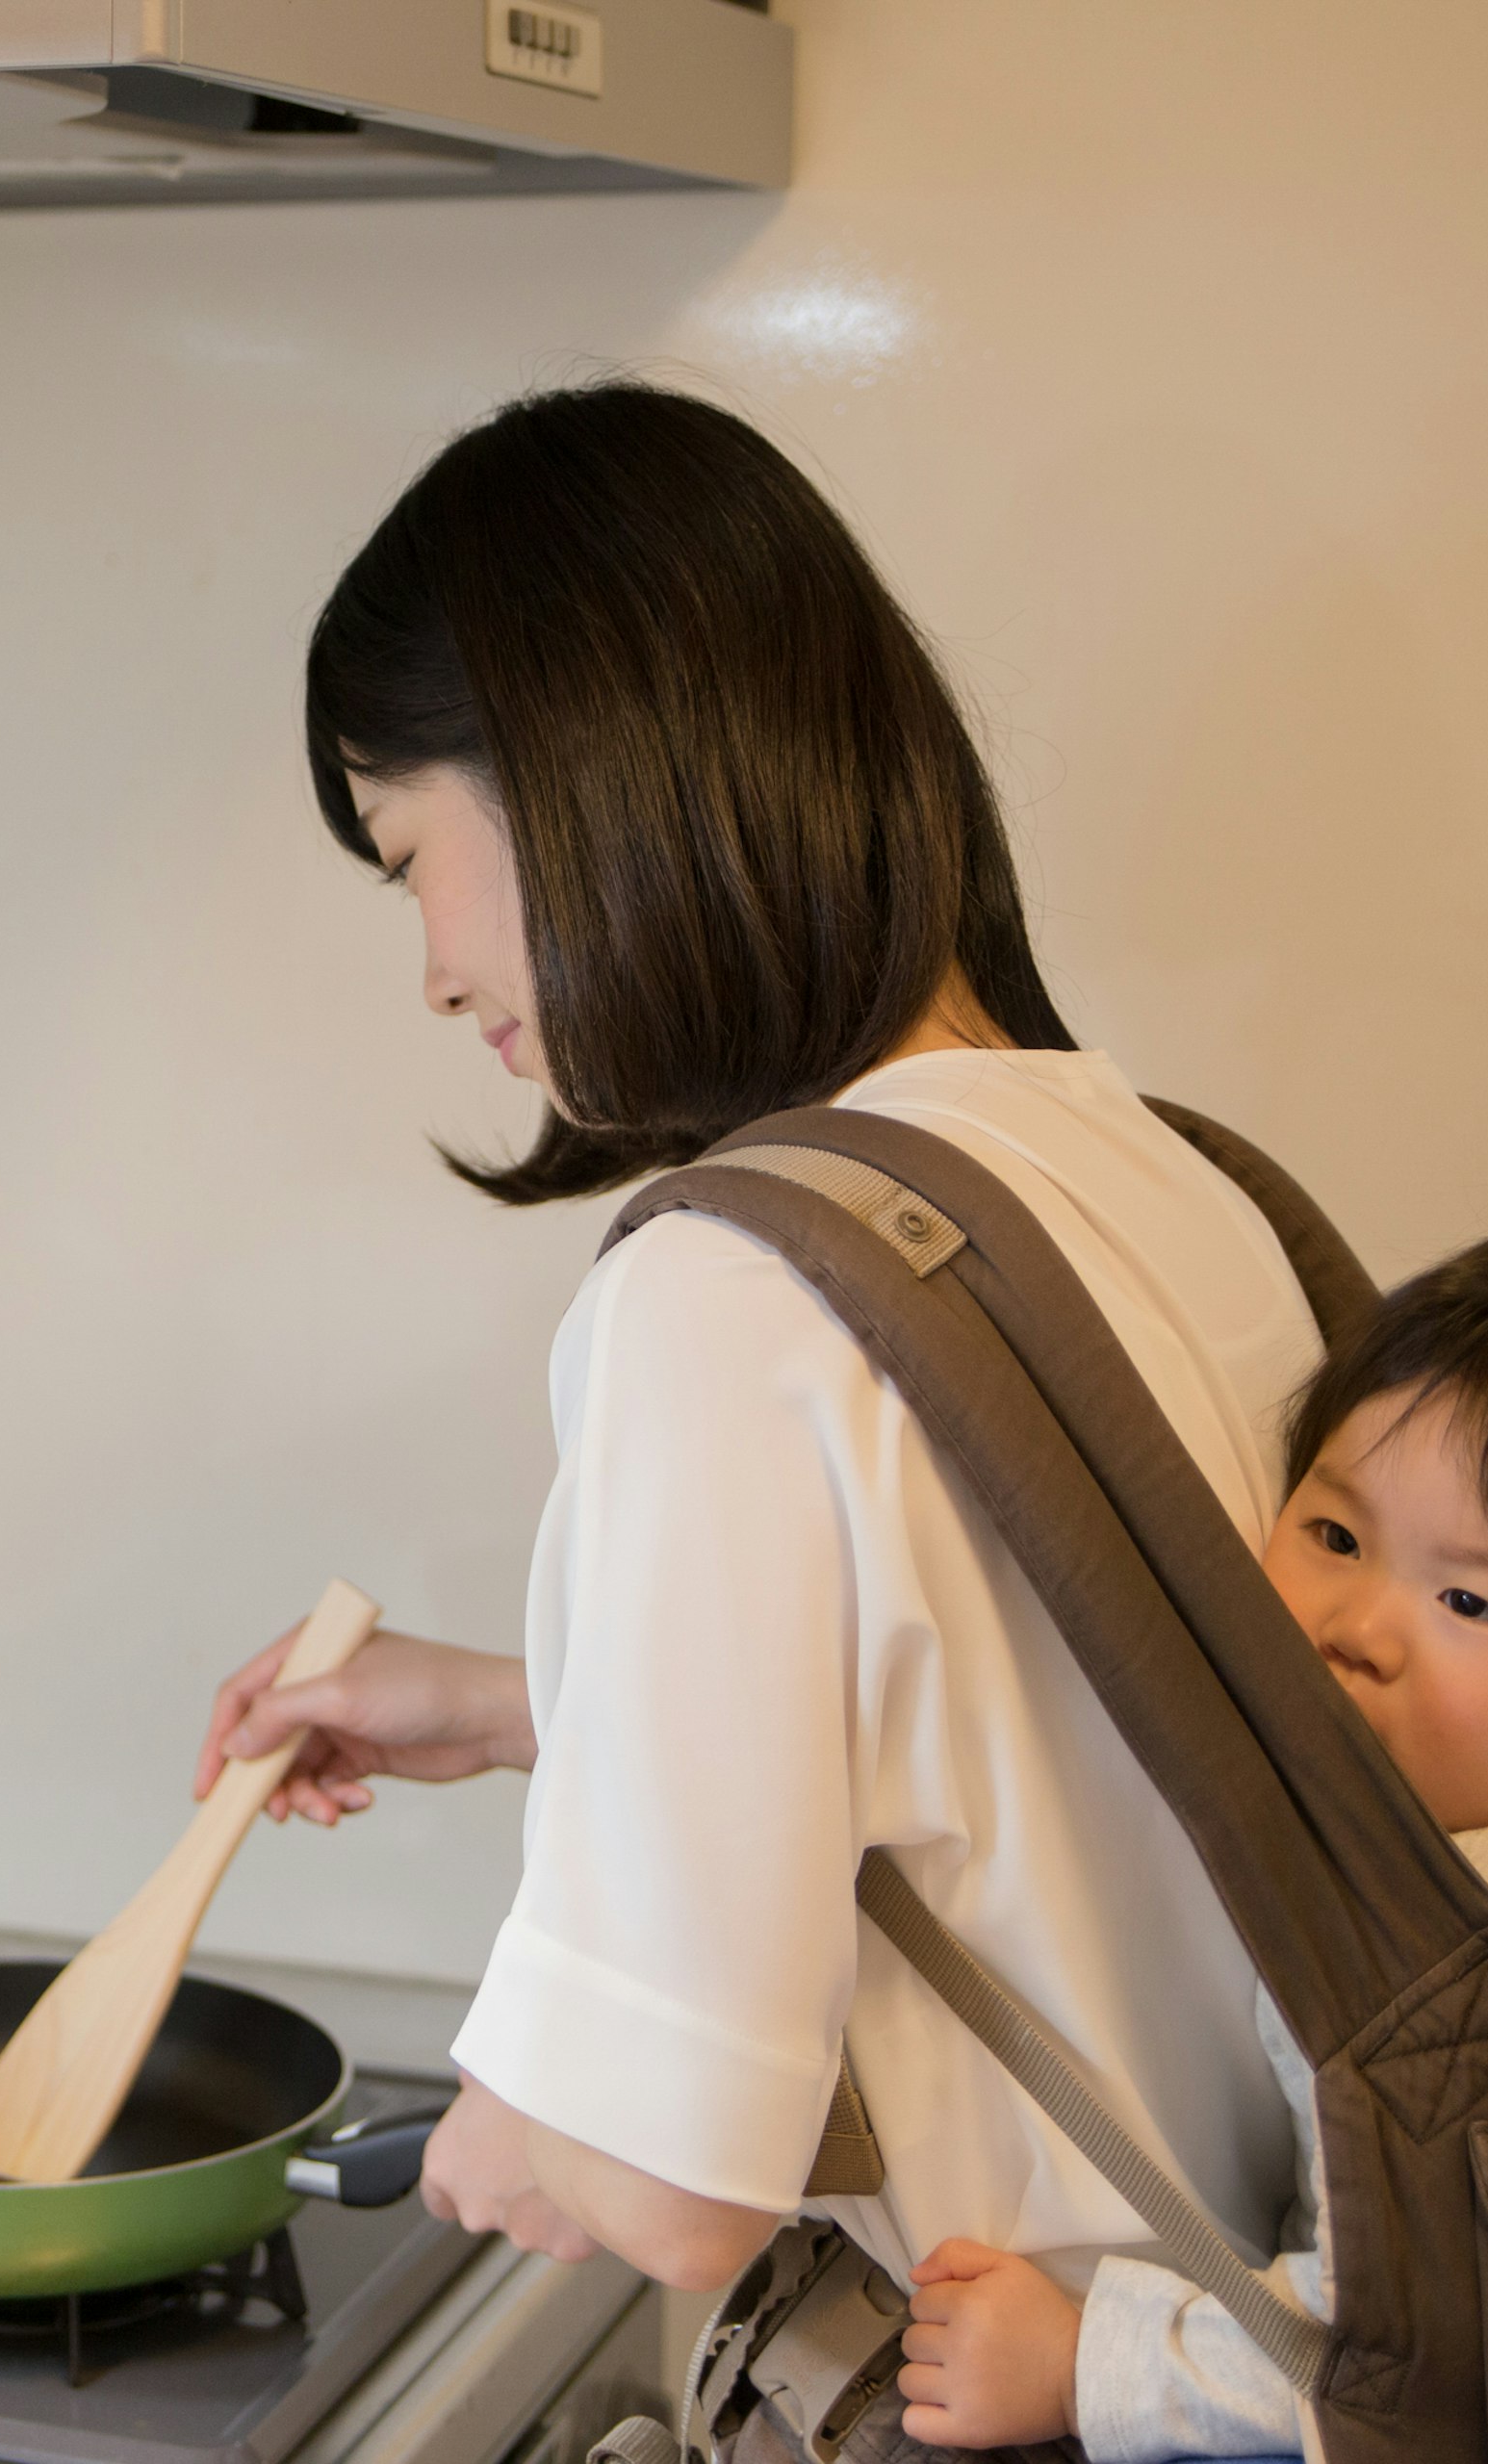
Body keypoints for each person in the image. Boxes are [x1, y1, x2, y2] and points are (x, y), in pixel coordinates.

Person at [192, 381, 1320, 2375]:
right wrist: (521, 1704)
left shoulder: (732, 1293)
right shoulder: (1170, 1172)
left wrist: (514, 2125)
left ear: (571, 771)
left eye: (404, 853)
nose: (437, 970)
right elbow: (1024, 1742)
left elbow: (673, 2175)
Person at [887, 1217, 1488, 2459]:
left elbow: (1410, 2368)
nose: (1356, 1627)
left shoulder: (1461, 1990)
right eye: (1335, 1538)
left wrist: (1083, 2361)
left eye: (1469, 1601)